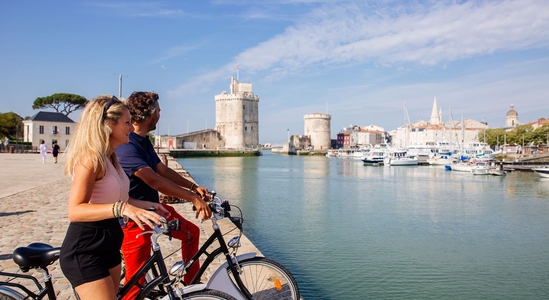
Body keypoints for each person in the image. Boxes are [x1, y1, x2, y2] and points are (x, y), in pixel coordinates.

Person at [59, 95, 170, 300]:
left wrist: (148, 205)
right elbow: (75, 211)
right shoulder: (91, 159)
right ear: (108, 125)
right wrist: (121, 209)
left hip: (110, 243)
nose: (131, 128)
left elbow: (117, 199)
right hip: (86, 248)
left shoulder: (112, 158)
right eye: (127, 123)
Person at [115, 91, 212, 300]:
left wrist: (194, 188)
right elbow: (155, 181)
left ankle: (190, 287)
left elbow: (163, 170)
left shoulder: (143, 140)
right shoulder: (128, 146)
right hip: (135, 219)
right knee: (135, 282)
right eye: (158, 111)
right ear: (150, 115)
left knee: (190, 232)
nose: (160, 114)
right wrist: (192, 199)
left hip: (154, 209)